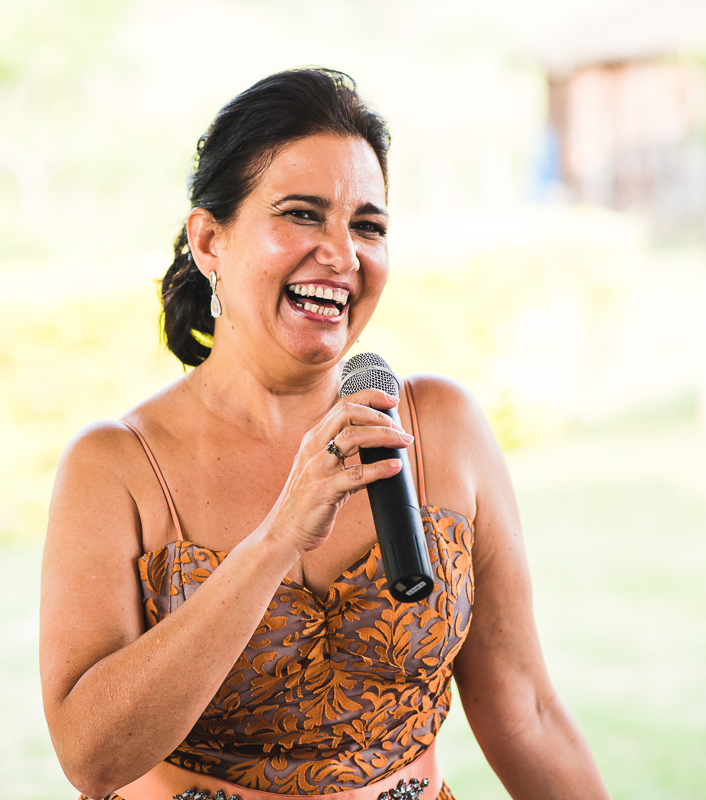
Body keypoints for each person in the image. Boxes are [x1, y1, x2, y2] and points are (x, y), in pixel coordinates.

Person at [40, 67, 611, 800]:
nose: (342, 255)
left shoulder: (441, 429)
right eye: (303, 215)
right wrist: (277, 537)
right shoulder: (115, 465)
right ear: (209, 239)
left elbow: (525, 713)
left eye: (367, 225)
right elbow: (92, 759)